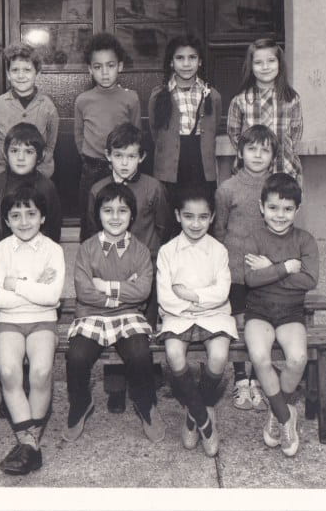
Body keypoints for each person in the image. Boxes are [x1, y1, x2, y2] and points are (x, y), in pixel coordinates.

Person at [64, 183, 164, 444]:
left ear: (132, 215)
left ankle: (145, 403)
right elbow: (84, 291)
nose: (115, 217)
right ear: (98, 215)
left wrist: (105, 286)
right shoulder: (87, 248)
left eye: (122, 210)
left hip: (129, 316)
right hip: (91, 315)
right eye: (108, 210)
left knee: (140, 354)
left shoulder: (140, 251)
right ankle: (80, 403)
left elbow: (142, 291)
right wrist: (121, 292)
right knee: (76, 356)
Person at [83, 122, 170, 413]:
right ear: (108, 155)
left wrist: (148, 263)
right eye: (118, 155)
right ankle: (116, 386)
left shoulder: (153, 188)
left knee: (143, 329)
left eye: (131, 156)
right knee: (112, 321)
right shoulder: (98, 190)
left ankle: (145, 380)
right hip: (110, 269)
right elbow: (91, 233)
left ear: (141, 157)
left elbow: (164, 228)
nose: (124, 163)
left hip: (146, 270)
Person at [0, 186, 65, 475]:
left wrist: (15, 284)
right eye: (15, 215)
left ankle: (26, 447)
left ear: (42, 217)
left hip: (43, 319)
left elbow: (52, 297)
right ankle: (30, 446)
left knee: (41, 372)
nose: (24, 221)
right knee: (9, 371)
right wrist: (35, 286)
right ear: (6, 220)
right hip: (8, 320)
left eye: (31, 214)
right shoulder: (0, 251)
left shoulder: (53, 250)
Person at [156, 185, 237, 457]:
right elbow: (166, 297)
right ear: (177, 216)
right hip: (177, 315)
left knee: (219, 356)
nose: (195, 224)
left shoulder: (218, 251)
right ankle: (204, 420)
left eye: (203, 217)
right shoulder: (167, 251)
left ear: (212, 218)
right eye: (188, 216)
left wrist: (192, 295)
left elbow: (221, 292)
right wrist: (189, 304)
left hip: (214, 314)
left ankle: (192, 415)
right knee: (174, 354)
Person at [243, 173, 319, 457]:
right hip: (259, 311)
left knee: (297, 358)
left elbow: (309, 280)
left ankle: (277, 411)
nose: (280, 215)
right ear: (261, 207)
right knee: (260, 357)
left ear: (297, 210)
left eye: (288, 209)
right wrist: (286, 267)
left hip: (290, 312)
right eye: (273, 207)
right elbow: (251, 279)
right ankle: (286, 416)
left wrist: (269, 269)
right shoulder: (254, 238)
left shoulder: (305, 240)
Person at [213, 125, 279, 412]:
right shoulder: (227, 189)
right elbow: (219, 231)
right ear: (240, 153)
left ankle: (257, 379)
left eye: (265, 150)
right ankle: (241, 379)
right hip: (236, 272)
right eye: (252, 149)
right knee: (238, 324)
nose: (258, 155)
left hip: (264, 273)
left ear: (273, 156)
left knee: (260, 325)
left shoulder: (277, 188)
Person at [74, 32, 141, 238]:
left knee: (120, 214)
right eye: (98, 67)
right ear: (90, 69)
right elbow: (79, 135)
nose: (104, 72)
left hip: (121, 167)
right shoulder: (83, 100)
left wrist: (125, 162)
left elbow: (136, 134)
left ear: (120, 66)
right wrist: (88, 157)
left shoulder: (131, 98)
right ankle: (90, 254)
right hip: (92, 167)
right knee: (90, 218)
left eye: (110, 66)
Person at [148, 33, 222, 218]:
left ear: (200, 61)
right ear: (171, 62)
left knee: (201, 212)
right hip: (170, 168)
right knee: (169, 216)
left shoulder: (212, 95)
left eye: (192, 57)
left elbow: (212, 129)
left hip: (201, 166)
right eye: (180, 58)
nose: (186, 64)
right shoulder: (158, 95)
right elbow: (155, 134)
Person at [227, 38, 303, 186]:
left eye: (271, 61)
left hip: (284, 169)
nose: (265, 67)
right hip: (251, 173)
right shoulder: (241, 99)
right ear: (251, 66)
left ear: (280, 64)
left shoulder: (292, 99)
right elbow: (234, 135)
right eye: (258, 62)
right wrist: (254, 154)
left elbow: (296, 134)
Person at [0, 123, 62, 254]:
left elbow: (53, 229)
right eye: (14, 151)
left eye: (29, 152)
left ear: (40, 155)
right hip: (3, 257)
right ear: (5, 154)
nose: (20, 158)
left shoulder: (47, 187)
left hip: (38, 257)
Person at [0, 42, 59, 178]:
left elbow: (50, 145)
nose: (20, 76)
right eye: (15, 70)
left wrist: (43, 168)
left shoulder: (48, 106)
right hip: (5, 175)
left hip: (38, 175)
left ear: (37, 74)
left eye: (27, 70)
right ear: (8, 74)